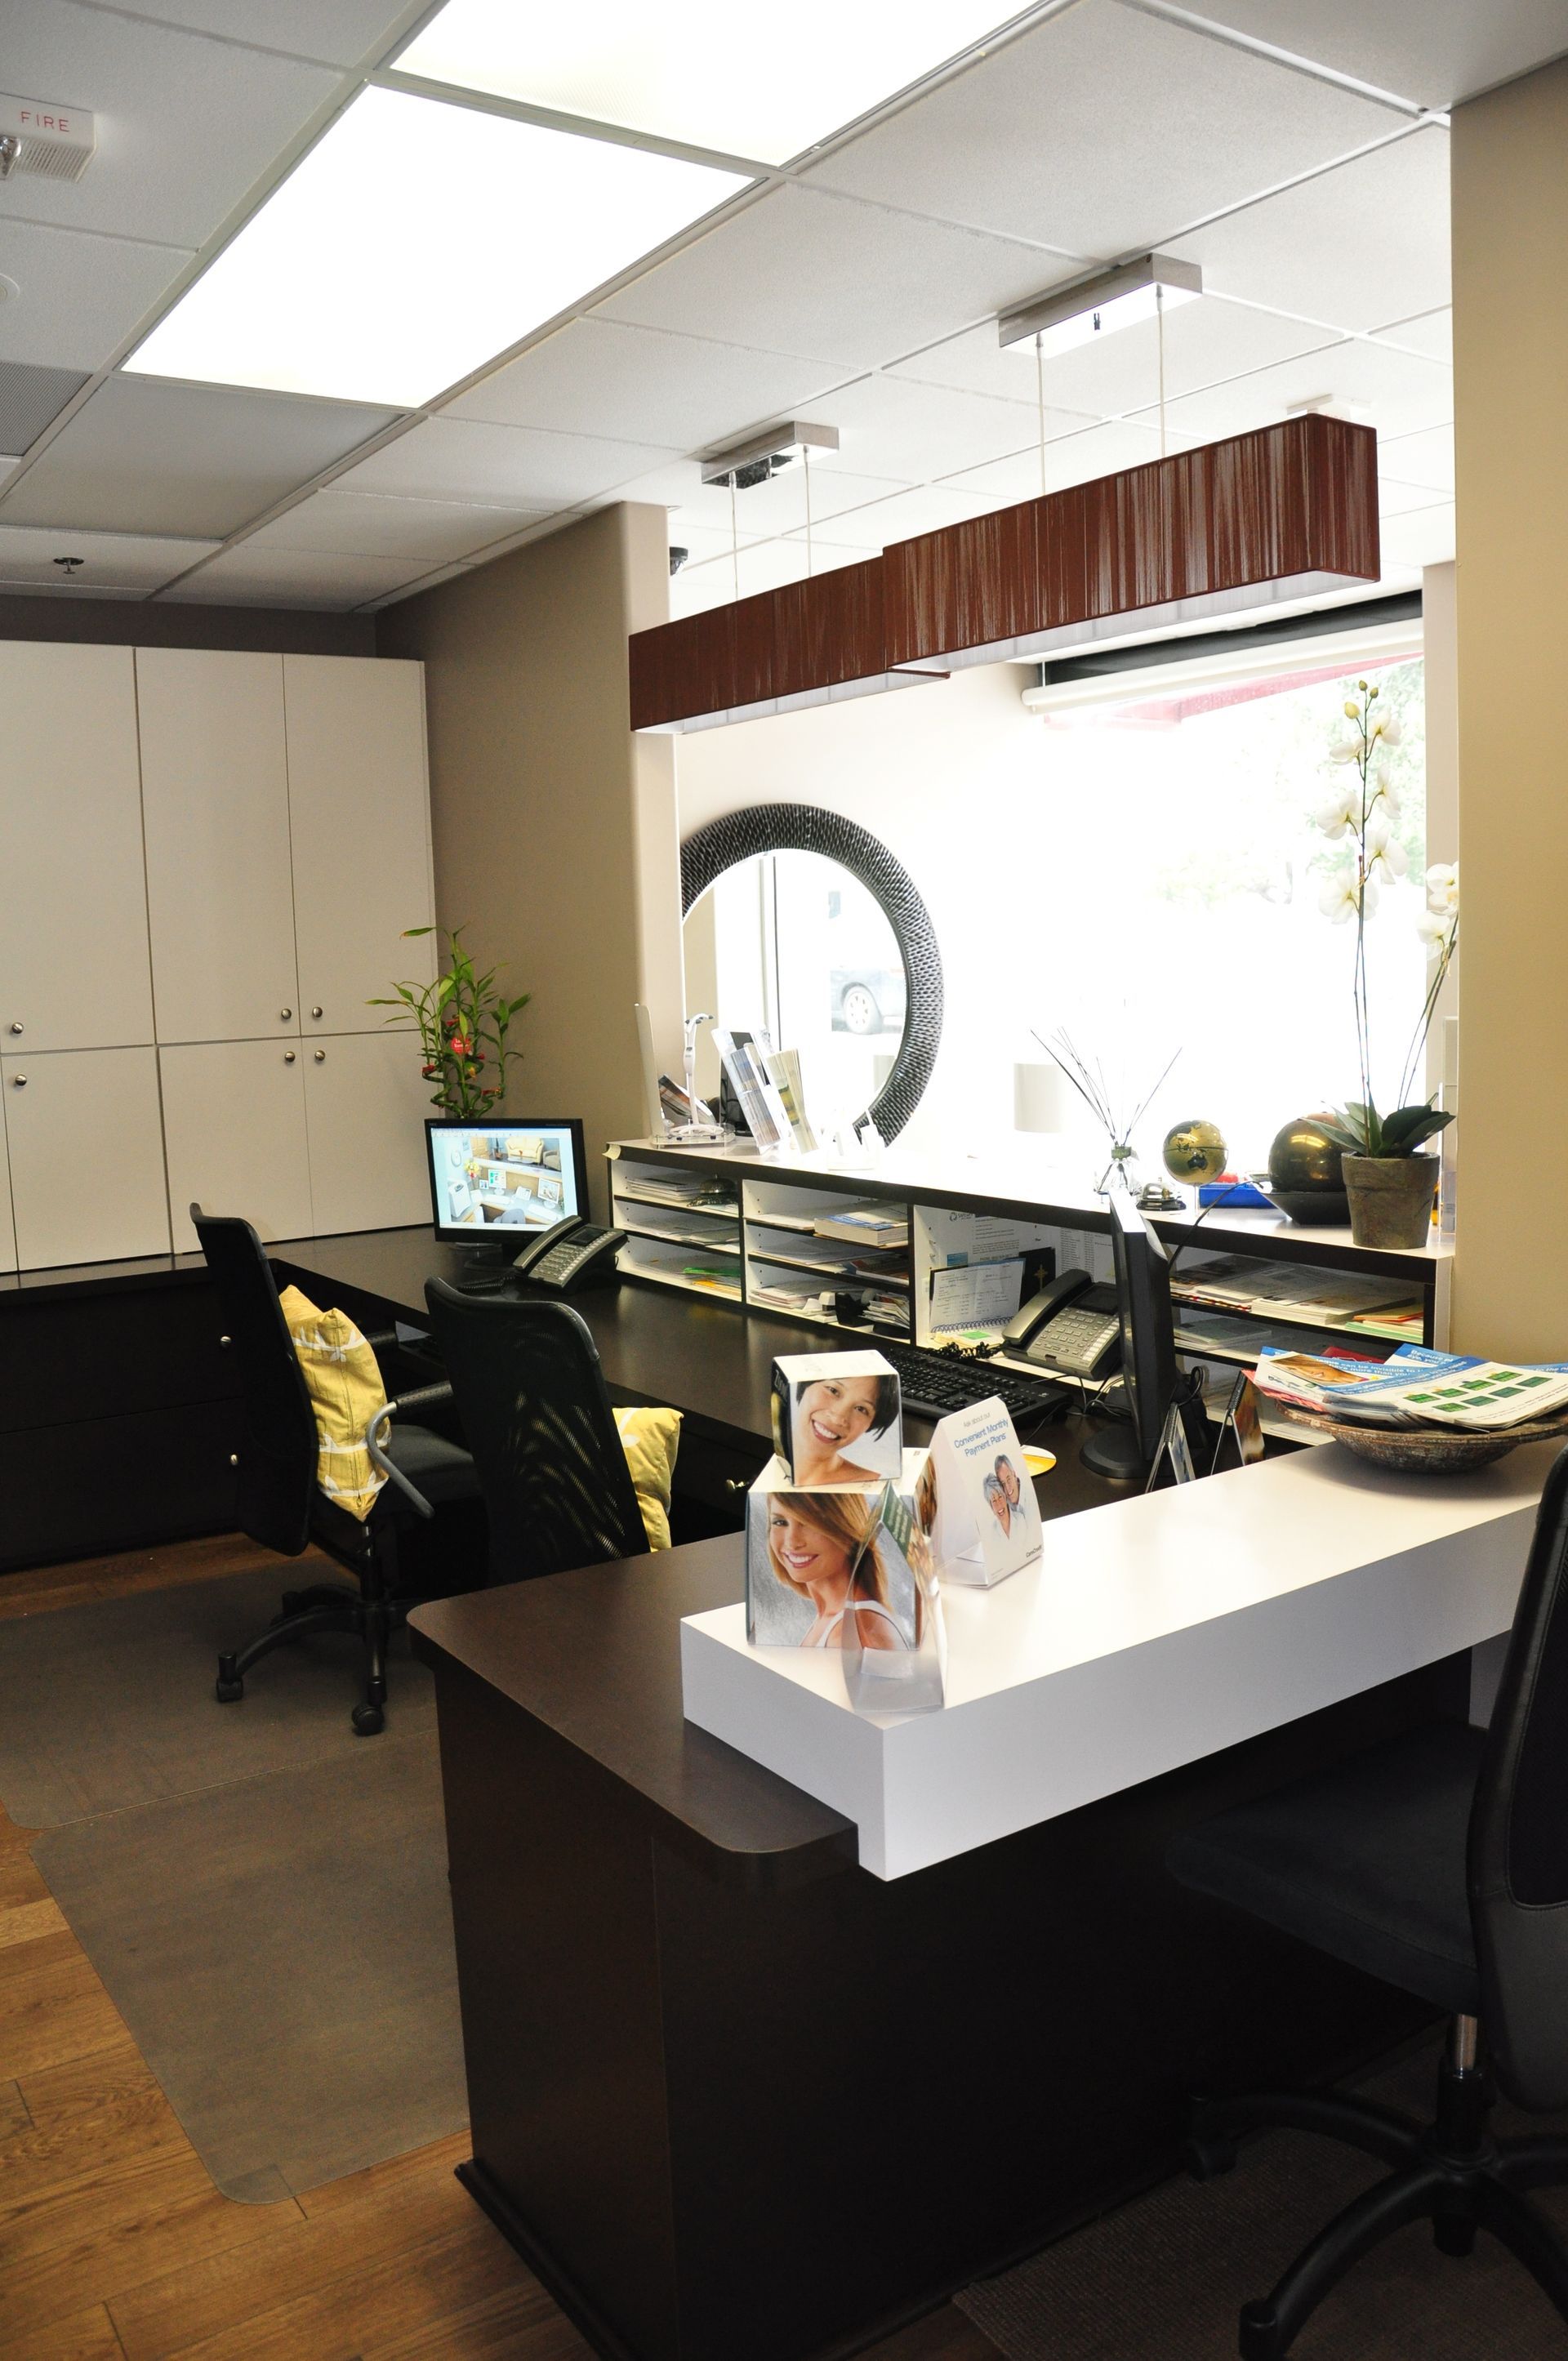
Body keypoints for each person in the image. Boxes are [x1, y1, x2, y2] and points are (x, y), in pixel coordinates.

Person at [765, 1492, 905, 1650]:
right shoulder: (833, 1619)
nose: (792, 1542)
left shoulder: (850, 1630)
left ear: (847, 1528)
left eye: (809, 1521)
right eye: (780, 1522)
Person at [791, 1370, 900, 1486]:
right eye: (833, 1390)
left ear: (871, 1424)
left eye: (861, 1409)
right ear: (806, 1385)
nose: (838, 1419)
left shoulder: (876, 1486)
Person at [982, 1472, 1011, 1539]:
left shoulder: (1021, 1520)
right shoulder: (992, 1534)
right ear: (991, 1506)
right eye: (994, 1500)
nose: (998, 1504)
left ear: (1005, 1497)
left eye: (1000, 1496)